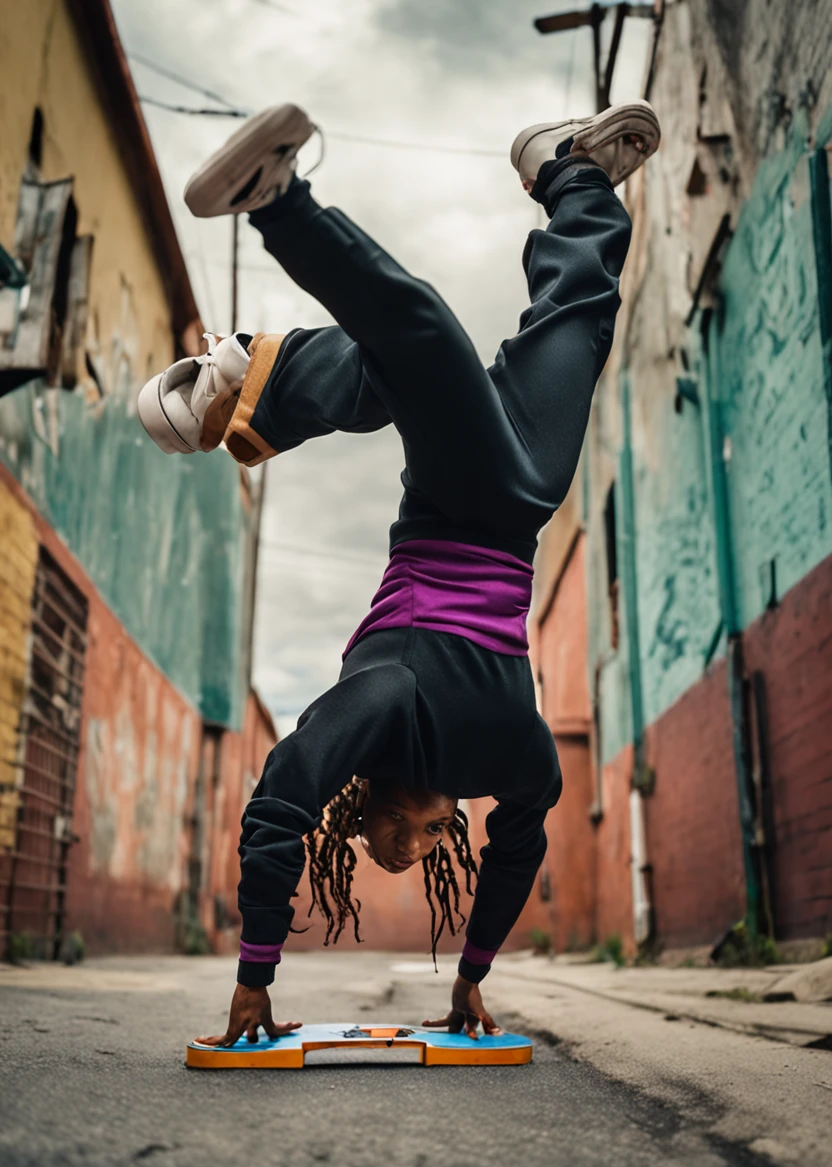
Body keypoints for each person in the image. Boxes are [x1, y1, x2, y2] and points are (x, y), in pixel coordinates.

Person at [137, 99, 660, 1044]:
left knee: (420, 337)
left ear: (365, 807)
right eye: (428, 846)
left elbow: (278, 805)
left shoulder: (380, 710)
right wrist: (471, 979)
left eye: (395, 839)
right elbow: (518, 851)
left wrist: (256, 977)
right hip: (525, 501)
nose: (421, 839)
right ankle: (571, 174)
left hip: (460, 502)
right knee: (577, 326)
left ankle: (276, 213)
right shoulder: (509, 758)